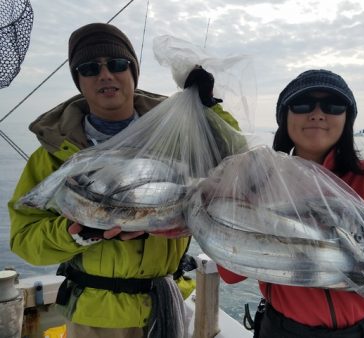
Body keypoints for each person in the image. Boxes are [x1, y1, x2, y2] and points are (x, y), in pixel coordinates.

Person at [8, 22, 240, 337]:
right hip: (96, 318)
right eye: (90, 68)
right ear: (79, 81)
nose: (105, 75)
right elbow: (26, 242)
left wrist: (209, 108)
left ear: (133, 73)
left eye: (117, 64)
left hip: (169, 305)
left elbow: (237, 159)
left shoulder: (176, 135)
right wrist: (80, 233)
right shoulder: (52, 156)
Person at [217, 69, 364, 338]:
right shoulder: (261, 182)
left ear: (347, 119)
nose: (317, 113)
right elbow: (230, 273)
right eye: (302, 104)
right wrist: (227, 196)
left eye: (333, 105)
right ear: (285, 117)